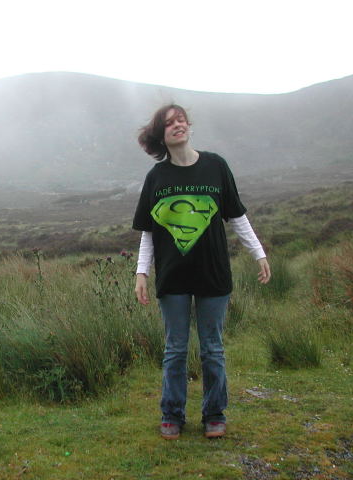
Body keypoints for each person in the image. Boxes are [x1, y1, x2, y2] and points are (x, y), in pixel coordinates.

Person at [132, 103, 271, 440]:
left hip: (213, 272)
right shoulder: (156, 177)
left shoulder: (215, 166)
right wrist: (141, 273)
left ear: (189, 126)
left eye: (181, 120)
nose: (177, 125)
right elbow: (149, 231)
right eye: (169, 123)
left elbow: (236, 216)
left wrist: (259, 253)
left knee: (212, 348)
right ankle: (172, 414)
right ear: (161, 135)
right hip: (173, 275)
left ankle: (214, 414)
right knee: (175, 349)